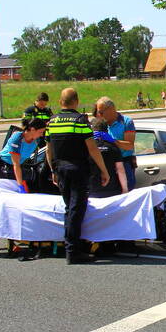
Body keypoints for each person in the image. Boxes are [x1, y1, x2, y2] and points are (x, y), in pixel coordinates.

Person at [46, 88, 110, 264]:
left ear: (61, 102)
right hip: (78, 170)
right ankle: (72, 251)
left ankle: (72, 247)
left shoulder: (52, 121)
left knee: (69, 208)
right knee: (76, 209)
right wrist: (104, 170)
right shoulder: (80, 121)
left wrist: (53, 170)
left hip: (61, 170)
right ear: (76, 101)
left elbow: (49, 149)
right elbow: (92, 147)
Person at [0, 118, 47, 257]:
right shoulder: (17, 137)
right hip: (1, 168)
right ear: (32, 130)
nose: (42, 134)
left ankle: (10, 237)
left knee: (11, 205)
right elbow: (16, 164)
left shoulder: (35, 141)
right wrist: (20, 186)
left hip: (15, 170)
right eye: (41, 132)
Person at [94, 97, 137, 191]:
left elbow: (129, 145)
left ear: (111, 109)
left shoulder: (126, 122)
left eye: (101, 112)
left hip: (124, 163)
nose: (99, 115)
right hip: (107, 164)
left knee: (126, 193)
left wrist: (113, 141)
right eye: (98, 112)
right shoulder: (101, 124)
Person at [89, 119, 129, 197]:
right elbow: (120, 169)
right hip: (112, 188)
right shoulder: (113, 146)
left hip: (91, 188)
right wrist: (125, 189)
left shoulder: (88, 147)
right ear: (106, 129)